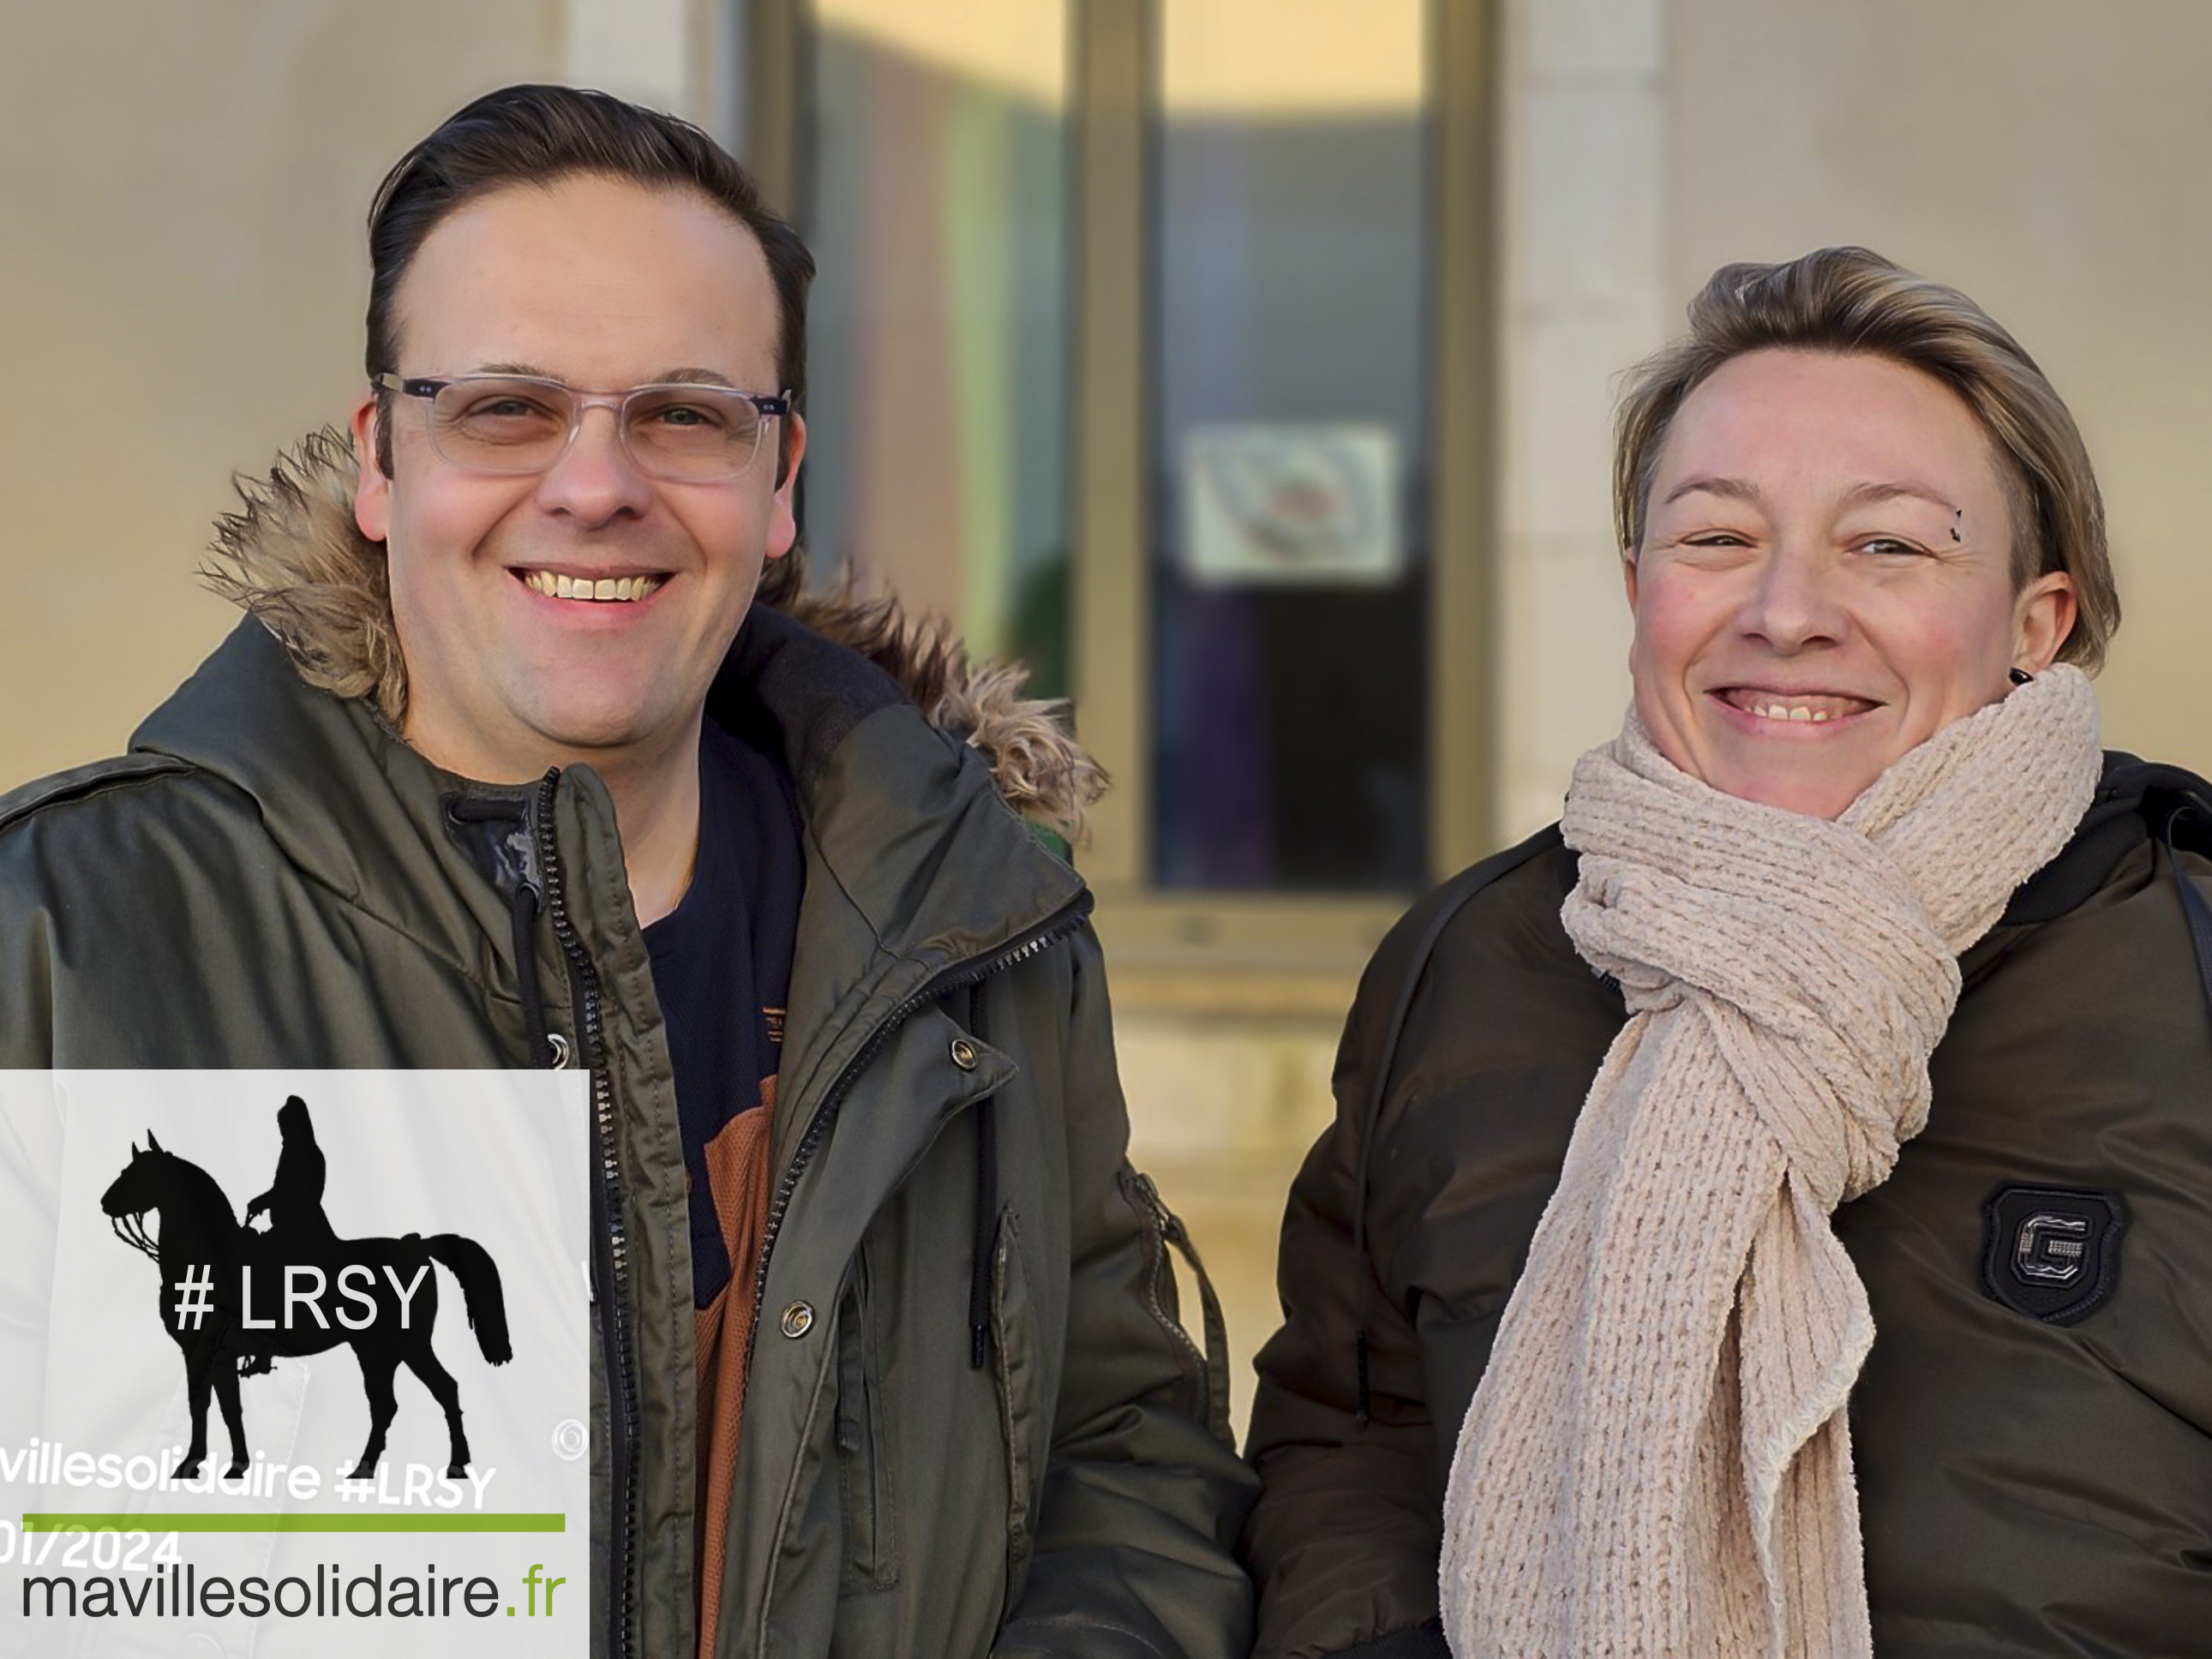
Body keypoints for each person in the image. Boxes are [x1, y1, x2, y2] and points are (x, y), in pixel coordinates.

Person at [0, 84, 1255, 1657]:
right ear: (383, 462)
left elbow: (1120, 1456)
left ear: (778, 476)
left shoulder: (976, 936)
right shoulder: (74, 938)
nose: (596, 485)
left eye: (681, 414)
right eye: (507, 409)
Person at [1244, 246, 2212, 1657]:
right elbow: (1355, 1444)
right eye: (1715, 539)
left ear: (2033, 624)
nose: (1785, 612)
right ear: (1639, 585)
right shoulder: (1468, 965)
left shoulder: (2179, 968)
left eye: (1886, 544)